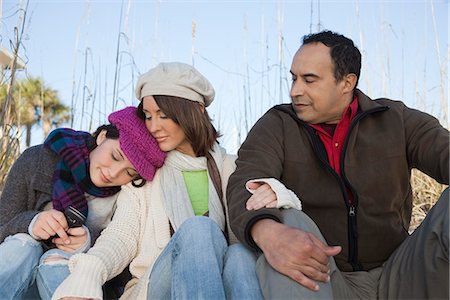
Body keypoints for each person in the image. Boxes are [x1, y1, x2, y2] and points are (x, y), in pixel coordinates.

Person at [227, 30, 449, 299]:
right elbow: (245, 181)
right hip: (324, 278)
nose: (295, 90)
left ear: (347, 82)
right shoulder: (278, 124)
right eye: (294, 78)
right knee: (284, 214)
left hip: (400, 273)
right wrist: (268, 233)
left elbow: (443, 150)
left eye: (309, 80)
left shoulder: (396, 120)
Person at [53, 62, 267, 300]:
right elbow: (122, 235)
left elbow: (263, 215)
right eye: (147, 116)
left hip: (221, 285)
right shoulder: (147, 175)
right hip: (153, 289)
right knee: (198, 228)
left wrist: (275, 192)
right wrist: (88, 273)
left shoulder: (231, 168)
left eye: (163, 115)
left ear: (197, 110)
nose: (153, 127)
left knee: (241, 255)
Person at [0, 106, 166, 300]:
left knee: (57, 263)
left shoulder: (129, 194)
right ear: (102, 136)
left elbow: (128, 270)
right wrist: (32, 223)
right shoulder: (35, 159)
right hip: (15, 278)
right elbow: (2, 227)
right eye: (115, 156)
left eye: (129, 172)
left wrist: (88, 242)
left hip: (69, 284)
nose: (113, 173)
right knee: (24, 246)